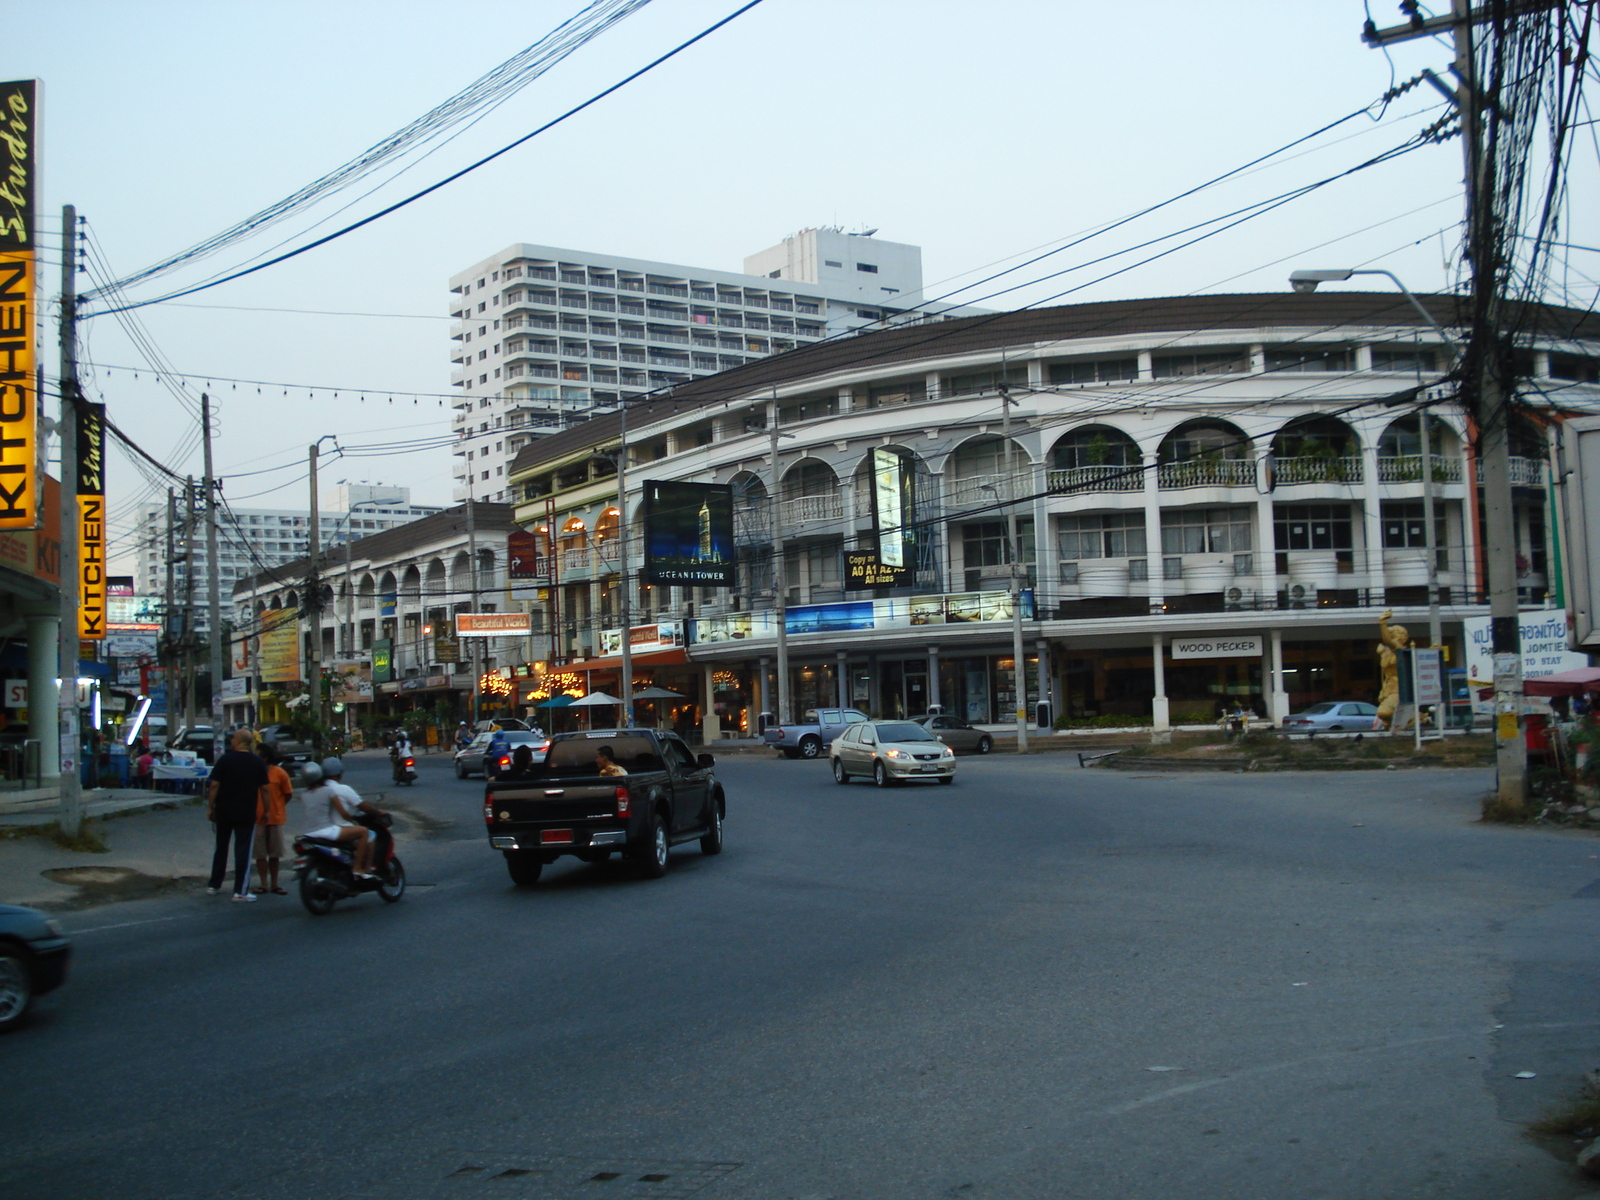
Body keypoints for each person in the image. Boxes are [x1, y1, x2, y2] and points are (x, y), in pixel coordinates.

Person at [206, 729, 270, 902]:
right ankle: (240, 890)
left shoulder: (225, 760)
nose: (231, 740)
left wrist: (211, 807)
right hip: (245, 812)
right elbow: (264, 788)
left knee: (221, 847)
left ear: (240, 741)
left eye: (233, 738)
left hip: (224, 811)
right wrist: (267, 810)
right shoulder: (257, 762)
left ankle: (214, 884)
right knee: (242, 849)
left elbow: (214, 785)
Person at [300, 756, 383, 877]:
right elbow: (345, 813)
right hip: (327, 830)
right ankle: (358, 868)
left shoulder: (303, 795)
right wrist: (354, 821)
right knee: (365, 832)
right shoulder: (329, 791)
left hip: (308, 833)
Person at [252, 743, 293, 895]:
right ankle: (263, 883)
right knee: (260, 854)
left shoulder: (279, 773)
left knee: (274, 853)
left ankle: (275, 883)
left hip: (275, 818)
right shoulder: (254, 773)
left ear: (265, 757)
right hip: (257, 818)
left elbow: (288, 794)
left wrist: (278, 807)